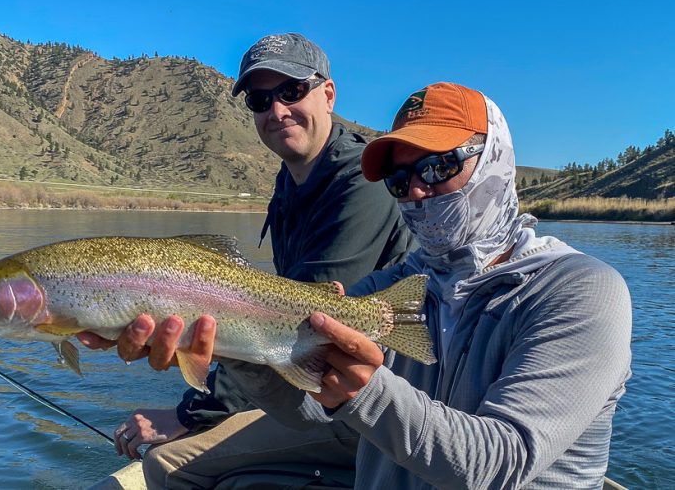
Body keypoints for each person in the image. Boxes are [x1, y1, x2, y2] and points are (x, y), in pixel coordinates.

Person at [123, 81, 633, 488]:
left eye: (438, 165)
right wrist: (236, 346)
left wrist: (366, 391)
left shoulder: (582, 291)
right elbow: (311, 416)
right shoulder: (396, 289)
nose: (416, 190)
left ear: (495, 159)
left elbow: (498, 464)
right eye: (399, 179)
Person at [79, 33, 415, 489]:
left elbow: (302, 327)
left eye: (293, 91)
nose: (277, 111)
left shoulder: (360, 182)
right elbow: (270, 319)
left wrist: (189, 414)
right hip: (322, 392)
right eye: (261, 100)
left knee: (165, 464)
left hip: (372, 403)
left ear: (329, 94)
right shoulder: (291, 184)